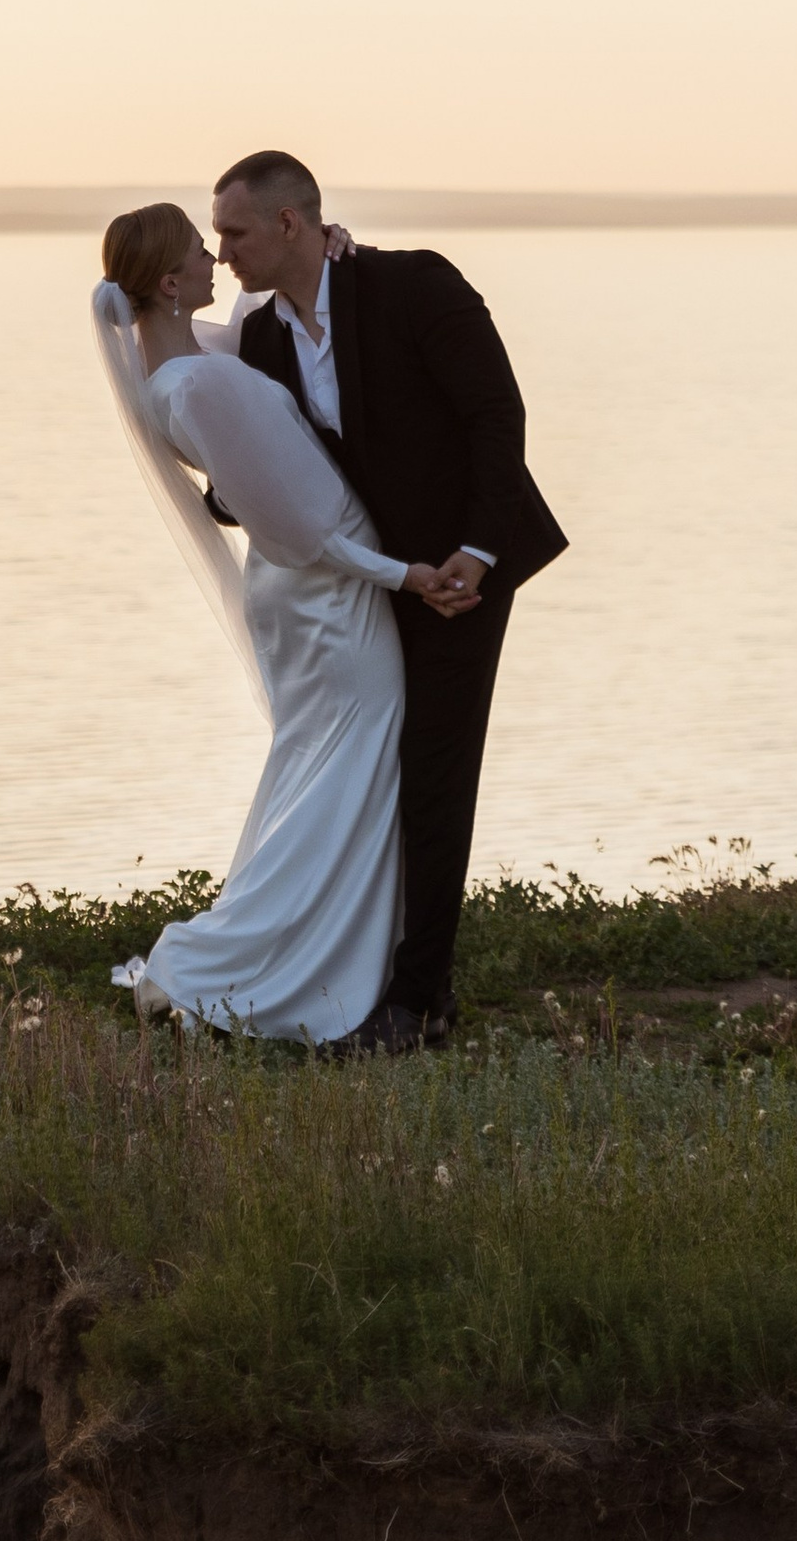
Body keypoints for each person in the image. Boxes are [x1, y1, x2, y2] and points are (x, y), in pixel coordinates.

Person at [212, 147, 565, 1040]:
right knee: (374, 766)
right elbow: (269, 470)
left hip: (464, 572)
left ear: (290, 222)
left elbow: (498, 417)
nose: (223, 255)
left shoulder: (415, 285)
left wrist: (475, 554)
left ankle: (421, 1000)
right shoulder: (258, 338)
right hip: (370, 583)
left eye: (234, 232)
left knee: (438, 767)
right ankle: (355, 969)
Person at [92, 202, 411, 1043]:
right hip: (325, 599)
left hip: (300, 598)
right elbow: (300, 529)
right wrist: (403, 573)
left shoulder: (183, 369)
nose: (217, 258)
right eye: (203, 249)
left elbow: (255, 334)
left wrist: (330, 253)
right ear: (169, 281)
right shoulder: (194, 387)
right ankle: (231, 963)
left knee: (318, 766)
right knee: (350, 764)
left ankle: (297, 947)